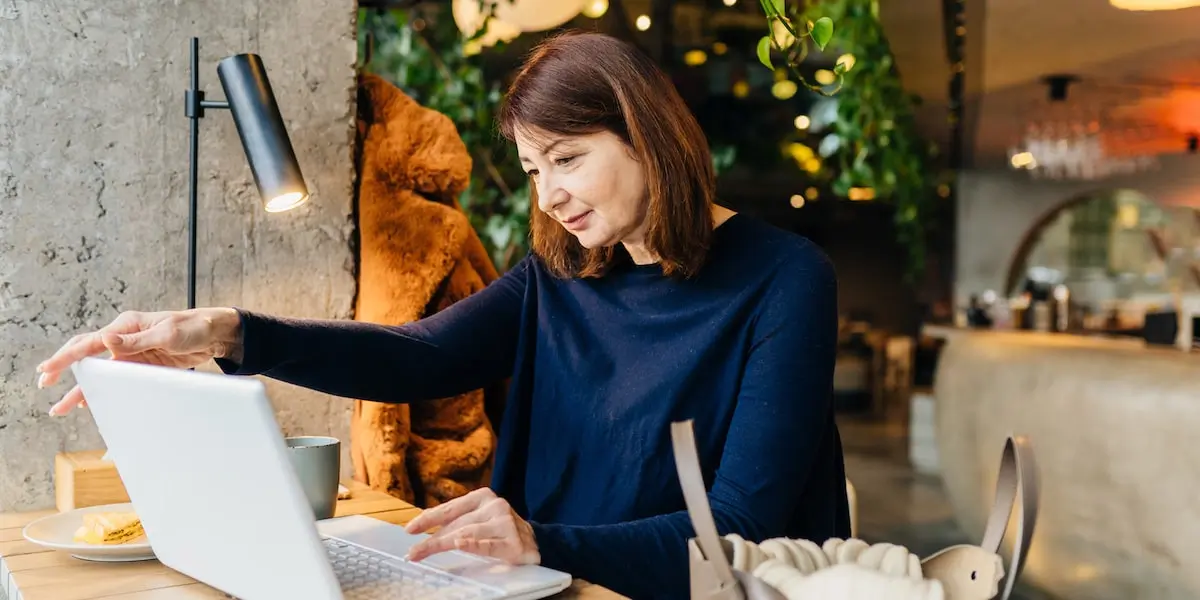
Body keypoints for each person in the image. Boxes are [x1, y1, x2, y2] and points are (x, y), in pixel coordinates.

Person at [36, 30, 849, 598]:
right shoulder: (562, 272)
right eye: (534, 169)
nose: (549, 194)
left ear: (648, 136)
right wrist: (222, 331)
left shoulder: (785, 279)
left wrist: (537, 539)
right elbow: (414, 356)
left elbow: (745, 524)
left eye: (568, 159)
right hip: (550, 585)